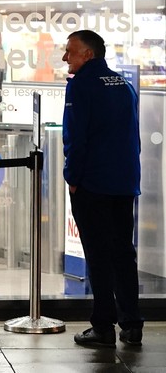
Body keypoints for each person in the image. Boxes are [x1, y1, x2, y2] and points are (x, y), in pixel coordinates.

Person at [61, 30, 143, 347]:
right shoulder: (124, 85)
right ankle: (132, 324)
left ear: (88, 55)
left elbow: (76, 140)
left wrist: (72, 178)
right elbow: (132, 137)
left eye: (71, 51)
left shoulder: (80, 86)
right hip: (124, 183)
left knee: (98, 255)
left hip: (92, 183)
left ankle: (103, 326)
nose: (66, 57)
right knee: (124, 254)